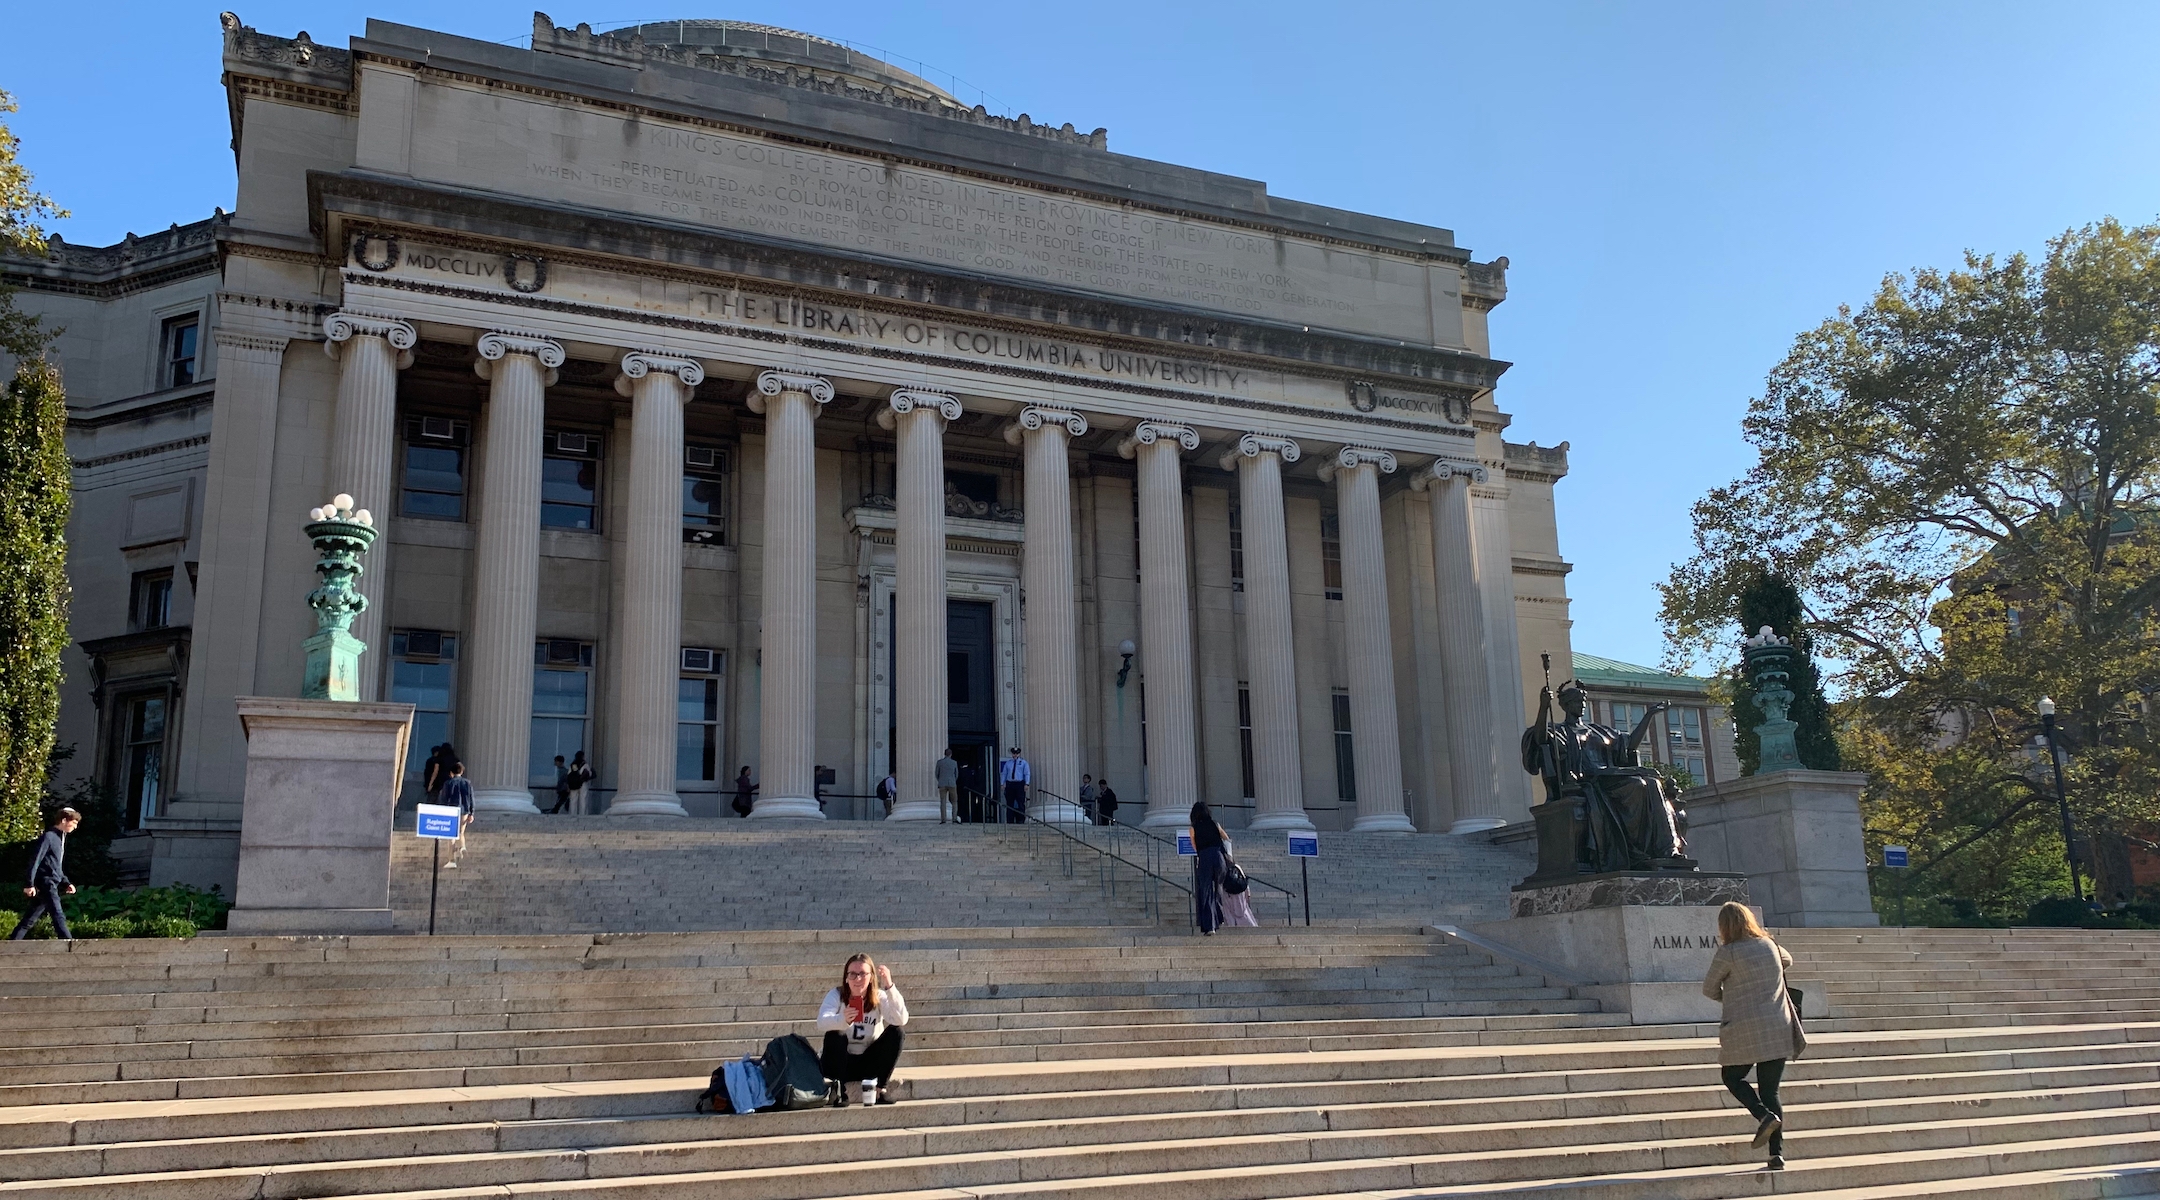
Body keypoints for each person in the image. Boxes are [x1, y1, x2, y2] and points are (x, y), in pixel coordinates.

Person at [1702, 901, 1805, 1171]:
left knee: (1732, 1076)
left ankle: (1762, 1116)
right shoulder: (1769, 945)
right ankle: (1776, 1155)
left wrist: (1733, 996)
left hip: (1745, 1029)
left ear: (1724, 926)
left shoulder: (1729, 953)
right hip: (1777, 1026)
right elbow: (1788, 960)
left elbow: (1709, 988)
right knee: (1770, 1091)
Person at [816, 952, 909, 1104]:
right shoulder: (836, 995)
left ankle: (879, 1090)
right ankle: (839, 1091)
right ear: (846, 977)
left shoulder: (879, 996)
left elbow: (901, 1019)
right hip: (841, 1061)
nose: (857, 979)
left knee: (897, 1032)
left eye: (863, 974)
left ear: (871, 977)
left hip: (868, 1062)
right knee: (836, 1035)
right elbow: (821, 1022)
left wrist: (889, 986)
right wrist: (842, 1019)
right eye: (852, 974)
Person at [11, 808, 80, 941]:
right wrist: (29, 884)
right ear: (64, 820)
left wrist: (66, 882)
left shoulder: (60, 840)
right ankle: (68, 942)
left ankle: (12, 943)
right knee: (57, 913)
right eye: (74, 823)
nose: (75, 827)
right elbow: (35, 860)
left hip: (51, 881)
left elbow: (55, 866)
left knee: (30, 919)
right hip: (46, 882)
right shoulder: (49, 837)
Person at [1189, 801, 1228, 935]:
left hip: (1205, 858)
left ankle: (1209, 926)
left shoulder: (1193, 828)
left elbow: (1194, 846)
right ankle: (1220, 916)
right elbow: (1226, 838)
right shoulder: (1215, 824)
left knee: (1205, 892)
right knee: (1218, 888)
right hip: (1219, 857)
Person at [439, 761, 475, 868]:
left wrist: (442, 811)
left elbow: (444, 798)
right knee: (461, 832)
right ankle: (462, 846)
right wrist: (471, 812)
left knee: (451, 835)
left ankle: (451, 859)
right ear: (462, 771)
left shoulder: (448, 783)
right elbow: (471, 798)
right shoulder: (467, 783)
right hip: (464, 809)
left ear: (451, 772)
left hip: (451, 809)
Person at [1218, 834, 1260, 928]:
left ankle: (1232, 929)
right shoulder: (1236, 867)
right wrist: (1247, 893)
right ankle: (1251, 927)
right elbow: (1244, 879)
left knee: (1229, 913)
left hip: (1227, 894)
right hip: (1239, 894)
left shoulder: (1221, 868)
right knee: (1243, 912)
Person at [998, 747, 1030, 824]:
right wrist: (1002, 783)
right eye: (1014, 753)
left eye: (1016, 753)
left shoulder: (1023, 763)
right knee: (1009, 803)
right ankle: (1010, 820)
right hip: (1010, 784)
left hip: (1019, 783)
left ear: (1019, 754)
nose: (1015, 755)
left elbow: (1027, 773)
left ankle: (1021, 820)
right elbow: (1004, 774)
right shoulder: (1008, 763)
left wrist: (1027, 783)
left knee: (1020, 803)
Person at [934, 750, 959, 824]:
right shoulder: (954, 763)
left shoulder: (939, 762)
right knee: (954, 801)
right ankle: (954, 818)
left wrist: (940, 780)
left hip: (942, 784)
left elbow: (936, 773)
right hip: (952, 783)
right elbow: (956, 774)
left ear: (944, 754)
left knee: (943, 802)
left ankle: (943, 819)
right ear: (951, 754)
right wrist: (953, 780)